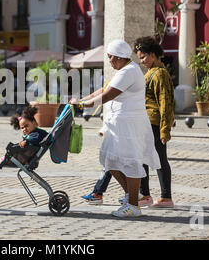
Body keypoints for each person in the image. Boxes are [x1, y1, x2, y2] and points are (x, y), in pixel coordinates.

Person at [71, 39, 161, 218]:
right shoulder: (123, 70)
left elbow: (107, 95)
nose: (109, 60)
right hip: (118, 125)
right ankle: (131, 196)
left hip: (129, 126)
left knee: (130, 162)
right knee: (108, 160)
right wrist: (81, 100)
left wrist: (83, 106)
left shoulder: (128, 72)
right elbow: (102, 90)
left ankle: (134, 205)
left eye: (110, 57)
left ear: (119, 57)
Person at [135, 36, 175, 208]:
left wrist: (165, 130)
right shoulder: (152, 72)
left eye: (143, 57)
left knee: (158, 159)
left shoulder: (160, 73)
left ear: (152, 54)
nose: (142, 61)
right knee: (145, 158)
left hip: (154, 123)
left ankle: (163, 197)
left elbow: (165, 101)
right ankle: (147, 196)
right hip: (147, 122)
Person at [0, 106, 49, 175]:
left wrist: (26, 142)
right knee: (5, 157)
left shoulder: (35, 133)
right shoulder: (32, 134)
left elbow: (33, 140)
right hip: (25, 157)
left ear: (34, 123)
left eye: (26, 126)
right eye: (22, 128)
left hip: (25, 158)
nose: (24, 129)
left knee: (6, 157)